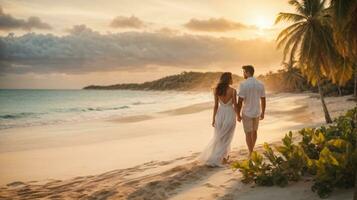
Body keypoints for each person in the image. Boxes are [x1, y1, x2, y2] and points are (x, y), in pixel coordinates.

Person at [198, 72, 237, 167]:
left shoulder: (216, 90)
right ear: (229, 80)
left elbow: (215, 106)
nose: (232, 80)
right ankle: (222, 158)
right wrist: (239, 116)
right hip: (229, 114)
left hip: (219, 115)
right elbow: (235, 105)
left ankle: (220, 157)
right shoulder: (233, 91)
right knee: (227, 137)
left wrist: (213, 119)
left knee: (219, 137)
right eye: (231, 78)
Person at [236, 65, 266, 157]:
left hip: (247, 112)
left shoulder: (243, 84)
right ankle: (252, 151)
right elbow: (263, 99)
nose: (243, 74)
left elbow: (240, 101)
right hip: (257, 111)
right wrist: (263, 113)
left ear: (248, 72)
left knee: (248, 133)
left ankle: (251, 151)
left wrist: (238, 114)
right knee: (255, 131)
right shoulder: (260, 84)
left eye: (244, 72)